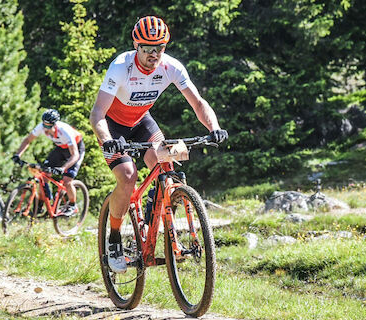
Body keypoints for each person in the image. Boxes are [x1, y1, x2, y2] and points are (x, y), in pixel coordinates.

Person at [89, 15, 228, 273]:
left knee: (167, 163)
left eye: (160, 48)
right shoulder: (120, 67)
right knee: (128, 176)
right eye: (147, 48)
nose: (154, 54)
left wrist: (214, 128)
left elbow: (198, 102)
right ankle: (115, 239)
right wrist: (107, 140)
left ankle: (157, 205)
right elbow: (97, 113)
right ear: (136, 46)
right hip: (114, 127)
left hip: (142, 122)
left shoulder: (171, 67)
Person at [12, 109, 85, 217]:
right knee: (43, 176)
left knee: (67, 180)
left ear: (55, 125)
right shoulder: (40, 127)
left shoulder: (64, 131)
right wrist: (18, 155)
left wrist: (63, 168)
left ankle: (72, 205)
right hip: (60, 148)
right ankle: (41, 206)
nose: (46, 129)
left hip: (76, 150)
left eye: (49, 126)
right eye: (44, 125)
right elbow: (28, 140)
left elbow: (75, 155)